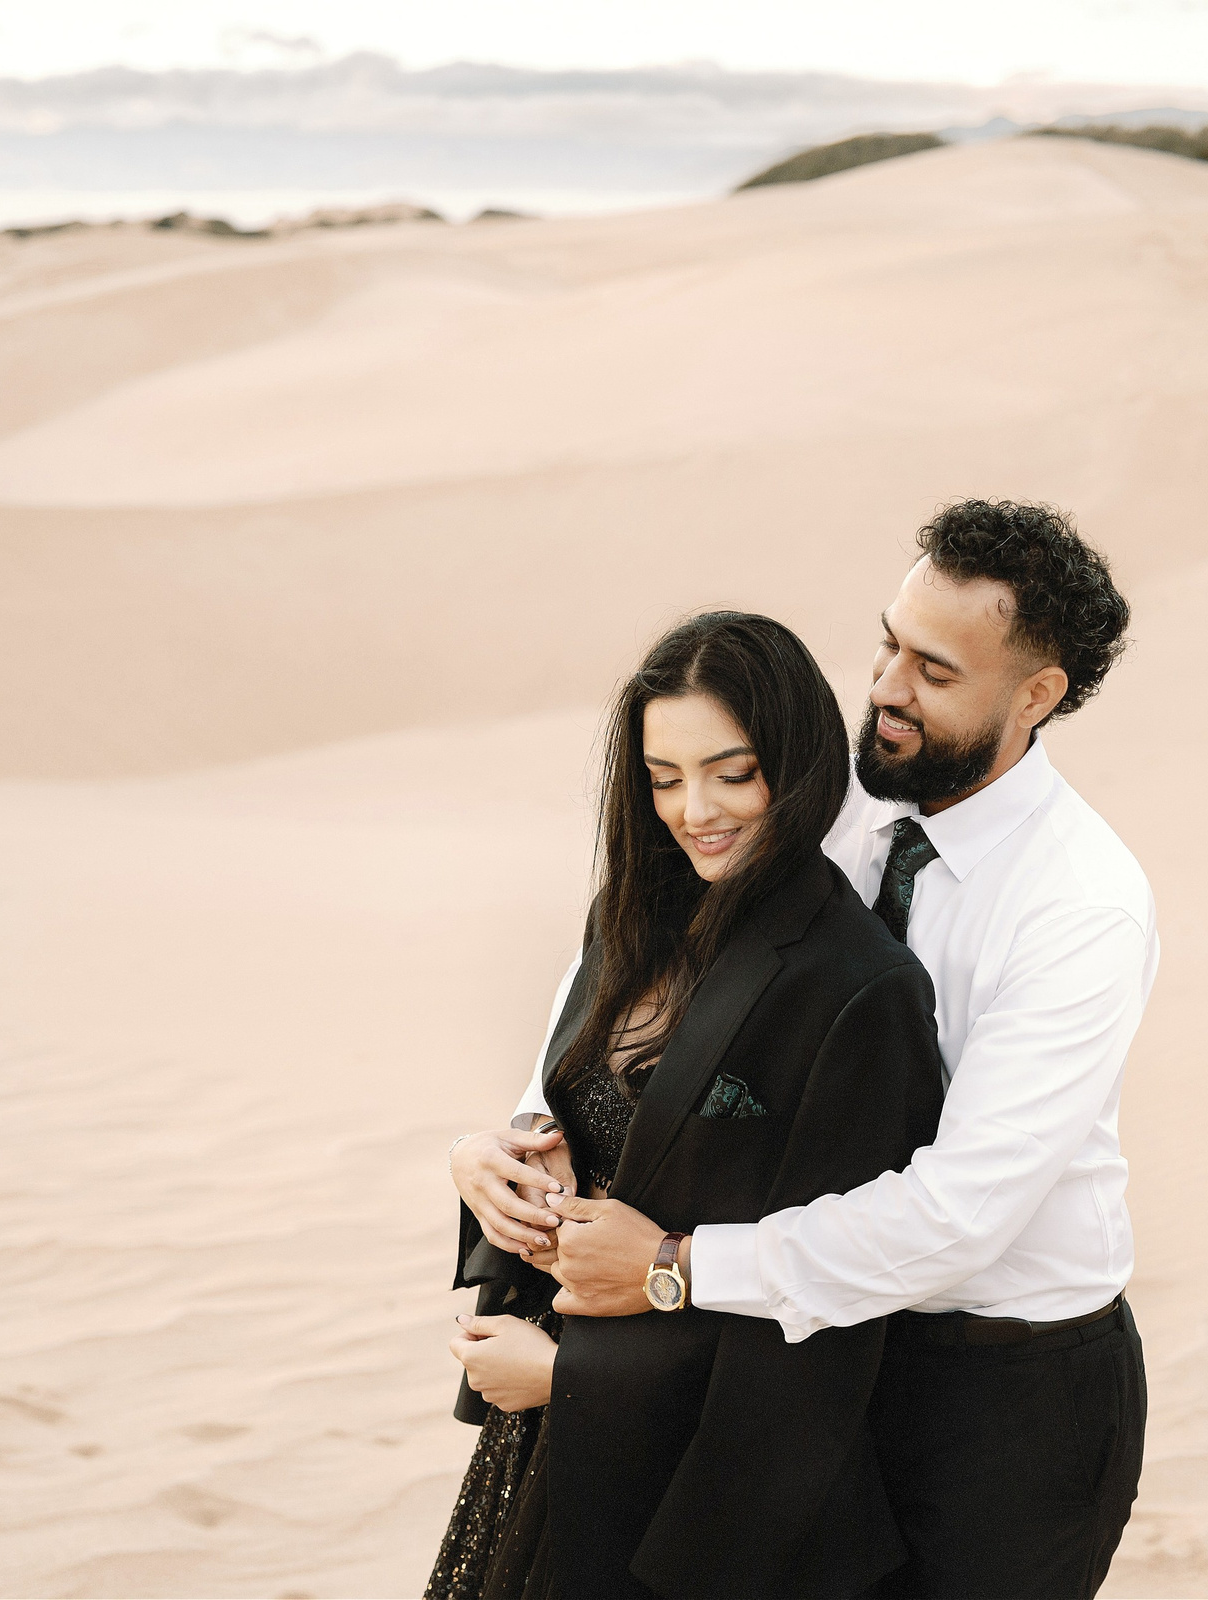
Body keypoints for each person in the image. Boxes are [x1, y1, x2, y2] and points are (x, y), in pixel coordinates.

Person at [495, 500, 1157, 1599]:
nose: (887, 688)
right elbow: (636, 968)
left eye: (935, 672)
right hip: (804, 1361)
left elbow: (958, 1215)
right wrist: (528, 1125)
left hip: (996, 1389)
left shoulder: (1081, 905)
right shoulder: (822, 797)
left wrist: (674, 1269)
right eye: (889, 644)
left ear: (1036, 696)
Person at [428, 612, 947, 1600]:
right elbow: (580, 1128)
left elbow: (835, 1321)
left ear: (794, 764)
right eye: (663, 778)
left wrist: (570, 1382)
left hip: (706, 1504)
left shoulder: (859, 988)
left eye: (730, 773)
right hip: (547, 1452)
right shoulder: (629, 918)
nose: (693, 810)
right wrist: (497, 1164)